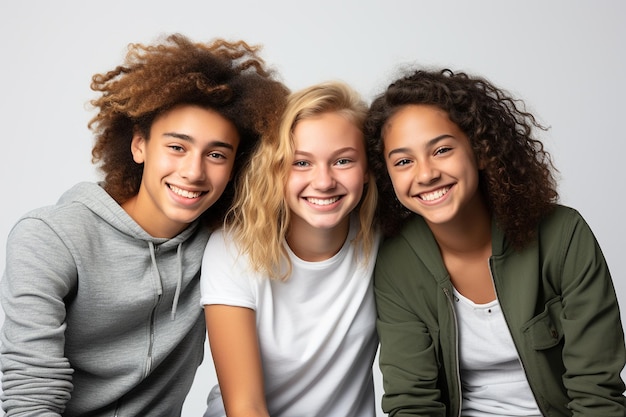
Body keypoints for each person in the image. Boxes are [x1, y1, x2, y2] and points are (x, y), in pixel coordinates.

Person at [0, 33, 288, 416]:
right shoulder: (49, 238)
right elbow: (31, 397)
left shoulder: (225, 249)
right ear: (139, 146)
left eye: (216, 154)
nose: (193, 171)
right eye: (177, 147)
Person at [365, 68, 626, 416]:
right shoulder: (398, 261)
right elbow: (412, 402)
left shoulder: (562, 234)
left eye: (442, 150)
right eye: (403, 161)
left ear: (481, 150)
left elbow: (597, 394)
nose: (425, 174)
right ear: (387, 175)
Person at [200, 81, 380, 417]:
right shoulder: (232, 250)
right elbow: (246, 407)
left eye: (343, 161)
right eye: (301, 163)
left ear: (368, 170)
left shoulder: (384, 241)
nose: (324, 181)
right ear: (276, 170)